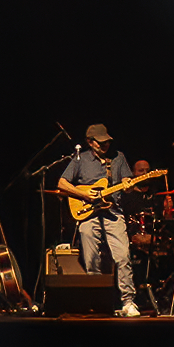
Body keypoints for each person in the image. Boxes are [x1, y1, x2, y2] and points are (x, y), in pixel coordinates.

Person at [56, 125, 141, 318]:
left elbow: (127, 185)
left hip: (113, 212)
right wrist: (84, 195)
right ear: (90, 142)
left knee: (123, 256)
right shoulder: (81, 159)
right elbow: (62, 183)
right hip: (88, 213)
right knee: (91, 257)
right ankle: (95, 300)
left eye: (107, 142)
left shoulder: (118, 157)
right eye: (100, 142)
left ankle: (128, 302)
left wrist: (128, 185)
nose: (105, 145)